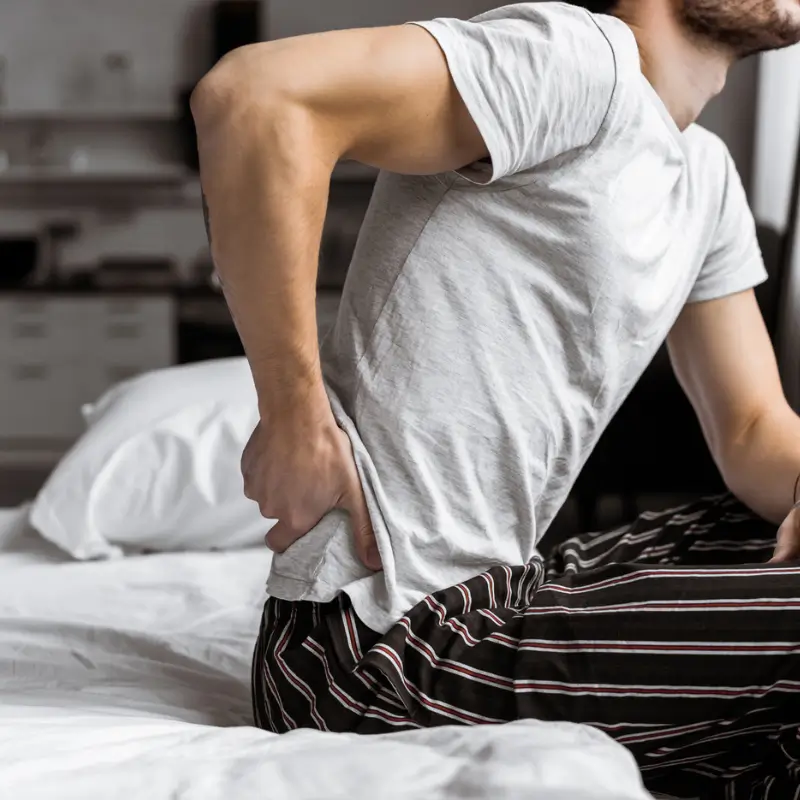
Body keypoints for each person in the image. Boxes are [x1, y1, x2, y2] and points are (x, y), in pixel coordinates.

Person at [191, 0, 800, 793]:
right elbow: (252, 96)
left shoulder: (706, 174)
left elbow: (754, 427)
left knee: (759, 520)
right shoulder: (583, 62)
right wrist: (292, 415)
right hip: (374, 647)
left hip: (506, 592)